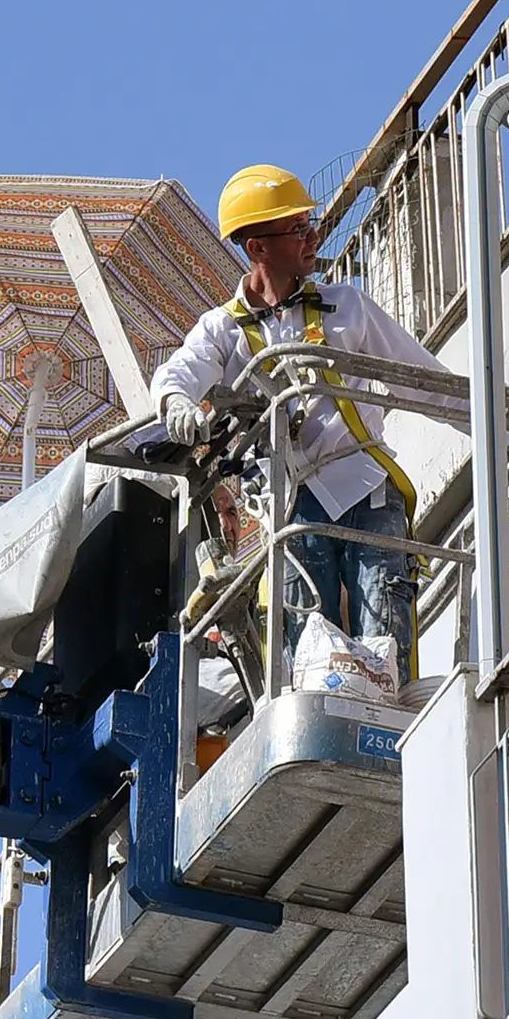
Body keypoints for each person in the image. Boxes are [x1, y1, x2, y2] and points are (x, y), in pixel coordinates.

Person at [152, 164, 449, 673]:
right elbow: (177, 375)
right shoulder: (222, 330)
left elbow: (425, 382)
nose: (313, 237)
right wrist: (176, 405)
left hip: (364, 488)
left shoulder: (345, 307)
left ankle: (388, 728)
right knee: (308, 655)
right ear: (258, 248)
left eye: (309, 225)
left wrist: (501, 431)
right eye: (297, 229)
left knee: (385, 644)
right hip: (291, 507)